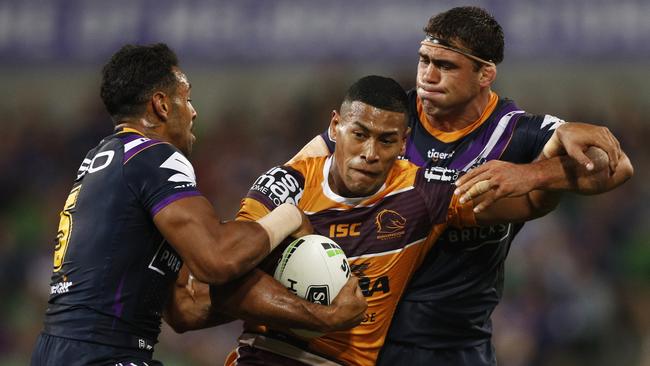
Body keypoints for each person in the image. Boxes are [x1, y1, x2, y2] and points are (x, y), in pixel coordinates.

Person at [288, 7, 634, 366]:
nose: (428, 76)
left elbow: (618, 167)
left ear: (485, 73)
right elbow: (295, 173)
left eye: (447, 66)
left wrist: (530, 175)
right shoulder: (388, 121)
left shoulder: (517, 133)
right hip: (359, 340)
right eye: (425, 60)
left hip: (458, 347)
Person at [202, 75, 613, 366]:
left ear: (403, 143)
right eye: (358, 134)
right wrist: (324, 316)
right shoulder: (287, 183)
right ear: (335, 126)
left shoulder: (425, 193)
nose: (369, 152)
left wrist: (538, 170)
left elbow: (533, 205)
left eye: (385, 141)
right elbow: (212, 285)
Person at [30, 43, 366, 366]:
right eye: (186, 98)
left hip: (64, 351)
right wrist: (289, 216)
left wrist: (285, 301)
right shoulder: (154, 155)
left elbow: (184, 308)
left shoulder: (104, 159)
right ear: (161, 105)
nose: (194, 112)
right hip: (104, 355)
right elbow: (216, 259)